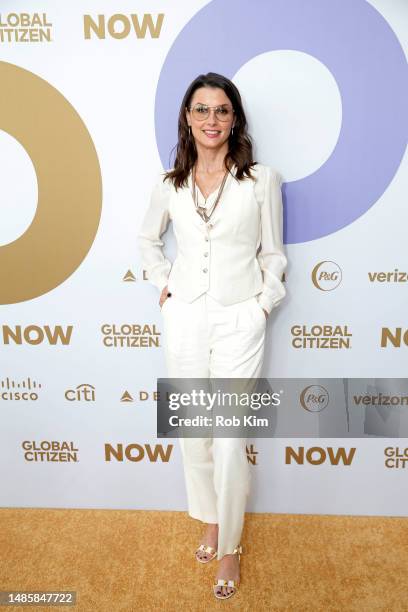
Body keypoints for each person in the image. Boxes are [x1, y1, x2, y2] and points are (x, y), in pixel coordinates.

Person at [137, 72, 287, 600]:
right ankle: (209, 518)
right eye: (201, 110)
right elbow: (146, 241)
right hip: (184, 319)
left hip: (239, 318)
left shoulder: (261, 179)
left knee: (228, 438)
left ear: (234, 119)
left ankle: (231, 546)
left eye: (221, 110)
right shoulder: (168, 184)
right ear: (187, 117)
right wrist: (164, 284)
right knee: (194, 432)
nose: (211, 120)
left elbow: (273, 253)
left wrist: (262, 305)